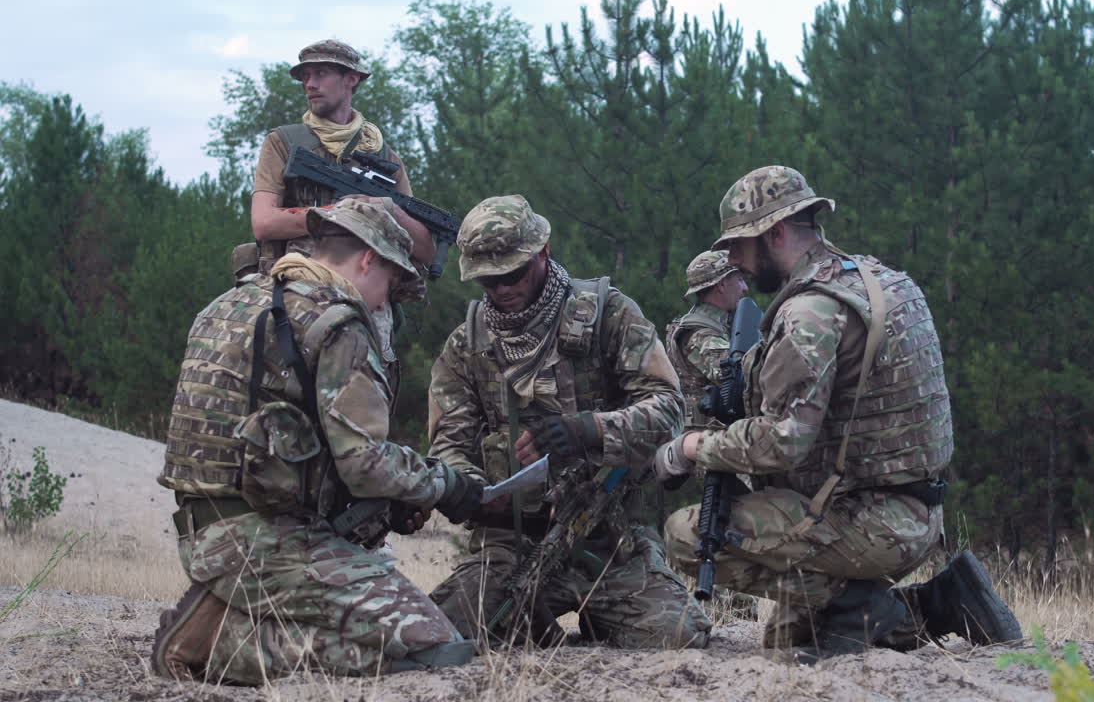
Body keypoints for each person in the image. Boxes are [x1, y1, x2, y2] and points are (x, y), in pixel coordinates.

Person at [652, 166, 1021, 658]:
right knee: (786, 639)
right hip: (910, 509)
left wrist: (694, 447)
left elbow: (782, 442)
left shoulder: (810, 312)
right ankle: (941, 603)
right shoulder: (879, 279)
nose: (735, 263)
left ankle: (872, 605)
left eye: (738, 247)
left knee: (684, 534)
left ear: (775, 233)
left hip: (870, 521)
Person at [152, 198, 481, 684]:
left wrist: (387, 505)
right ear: (369, 259)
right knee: (435, 646)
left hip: (203, 531)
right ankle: (215, 644)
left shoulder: (229, 303)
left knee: (400, 633)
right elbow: (365, 462)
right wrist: (448, 485)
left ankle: (225, 608)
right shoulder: (336, 321)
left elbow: (284, 444)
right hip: (266, 542)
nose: (381, 303)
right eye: (388, 286)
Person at [426, 194, 711, 649]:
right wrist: (472, 491)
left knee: (678, 635)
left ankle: (602, 615)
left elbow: (669, 408)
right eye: (488, 280)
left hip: (608, 540)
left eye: (512, 274)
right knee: (442, 633)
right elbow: (448, 442)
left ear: (544, 252)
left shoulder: (609, 315)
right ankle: (525, 620)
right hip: (508, 547)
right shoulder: (466, 345)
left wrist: (588, 429)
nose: (501, 289)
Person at [246, 38, 431, 362]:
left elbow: (425, 248)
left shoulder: (385, 157)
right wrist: (340, 213)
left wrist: (388, 211)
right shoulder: (284, 143)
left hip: (365, 305)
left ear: (352, 79)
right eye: (305, 76)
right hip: (291, 299)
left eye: (321, 73)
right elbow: (263, 223)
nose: (310, 84)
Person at [665, 250, 747, 432]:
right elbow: (742, 383)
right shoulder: (701, 335)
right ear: (723, 284)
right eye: (739, 280)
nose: (745, 288)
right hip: (702, 444)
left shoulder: (711, 325)